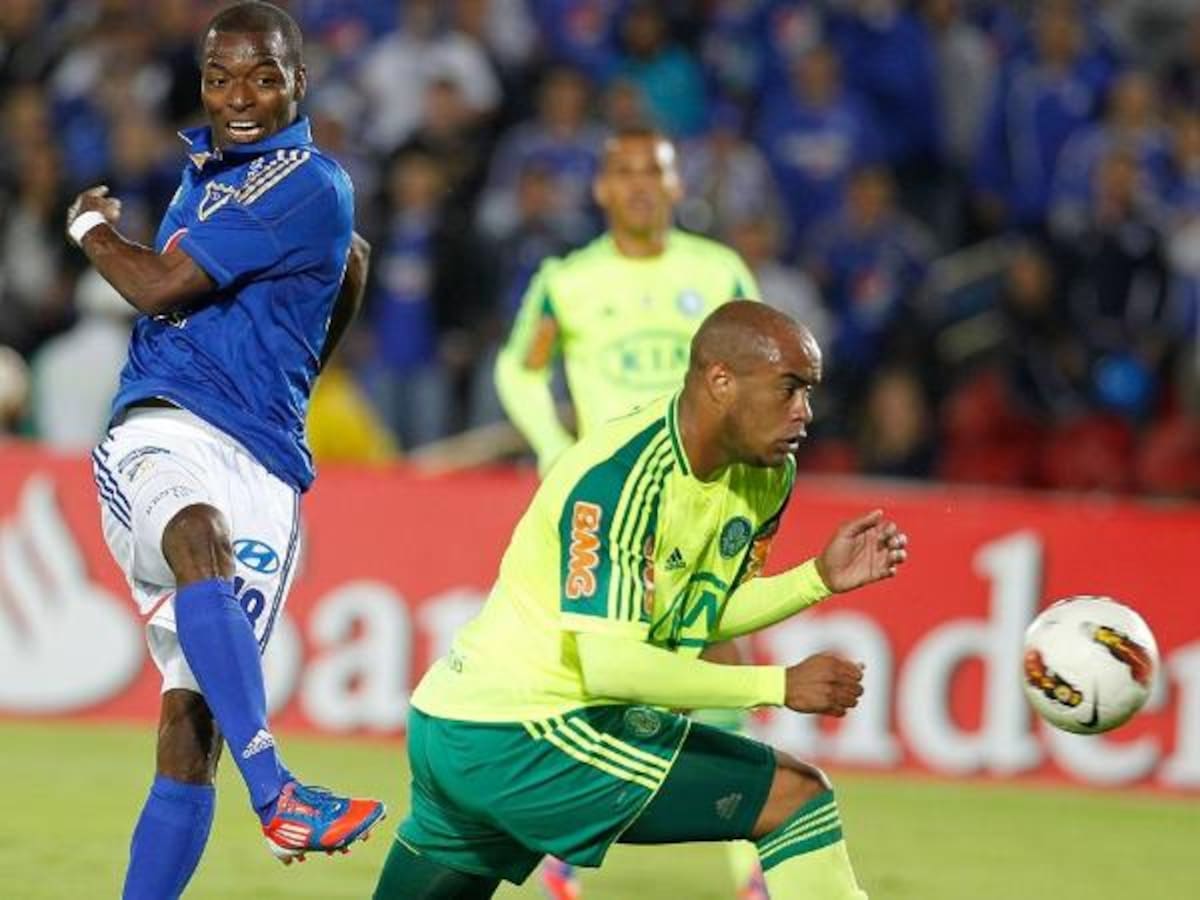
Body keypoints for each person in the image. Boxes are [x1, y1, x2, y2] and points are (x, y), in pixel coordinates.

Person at [375, 301, 909, 900]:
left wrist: (816, 578)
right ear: (721, 381)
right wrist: (777, 685)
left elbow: (696, 616)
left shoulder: (765, 474)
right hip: (526, 732)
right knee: (795, 798)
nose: (804, 411)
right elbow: (611, 666)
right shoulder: (620, 476)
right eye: (789, 388)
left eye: (808, 391)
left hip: (458, 721)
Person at [62, 4, 384, 897]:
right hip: (163, 427)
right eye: (219, 78)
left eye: (263, 77)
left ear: (299, 83)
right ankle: (279, 793)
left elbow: (161, 281)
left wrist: (88, 227)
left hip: (265, 467)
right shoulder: (211, 176)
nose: (238, 97)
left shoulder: (307, 179)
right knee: (193, 532)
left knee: (192, 729)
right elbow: (350, 262)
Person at [493, 125, 764, 898]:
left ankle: (739, 869)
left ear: (677, 186)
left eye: (655, 171)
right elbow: (518, 367)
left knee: (712, 669)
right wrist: (553, 446)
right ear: (603, 188)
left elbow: (765, 375)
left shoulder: (718, 272)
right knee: (618, 671)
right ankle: (572, 850)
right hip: (609, 503)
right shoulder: (568, 280)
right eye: (625, 172)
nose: (641, 184)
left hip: (703, 501)